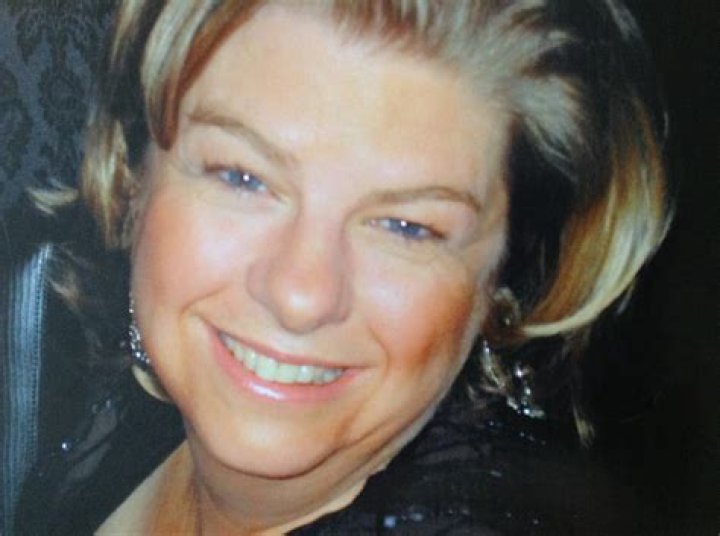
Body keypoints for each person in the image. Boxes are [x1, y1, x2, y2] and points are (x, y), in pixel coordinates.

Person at [15, 0, 670, 534]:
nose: (300, 295)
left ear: (501, 285)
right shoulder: (117, 408)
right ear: (130, 178)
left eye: (406, 227)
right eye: (242, 177)